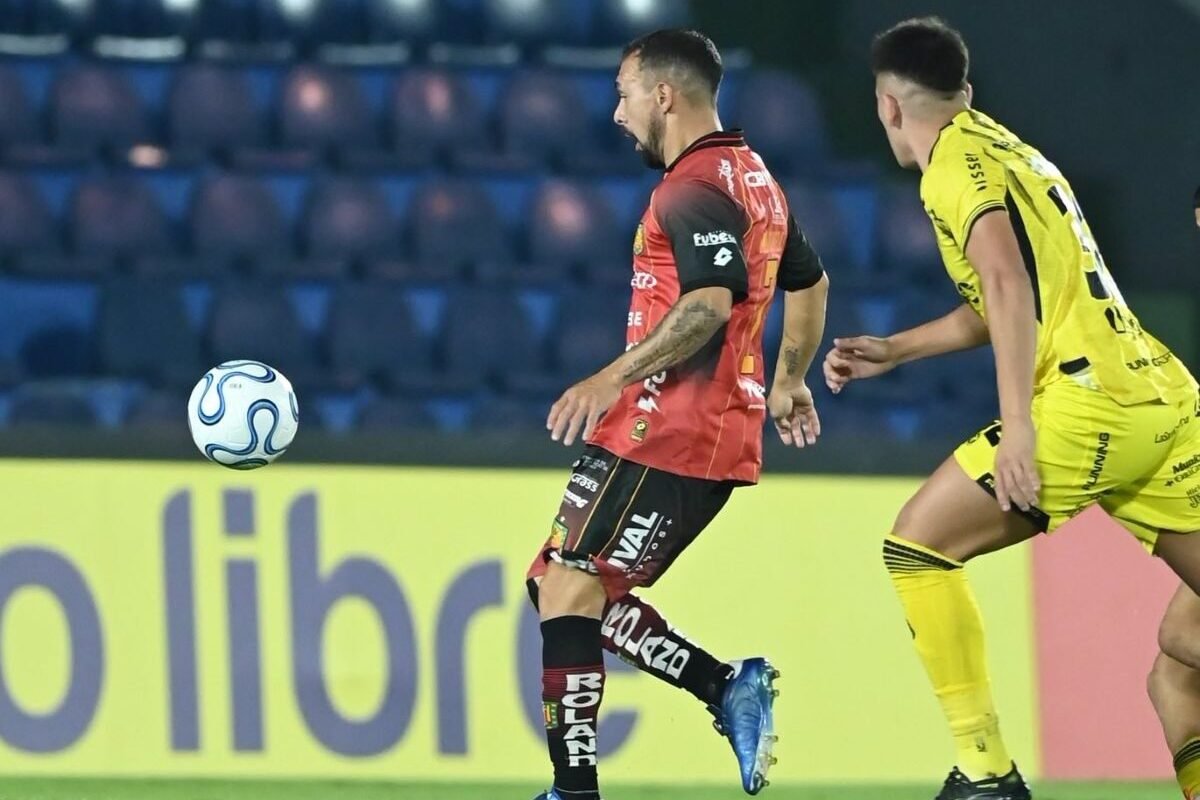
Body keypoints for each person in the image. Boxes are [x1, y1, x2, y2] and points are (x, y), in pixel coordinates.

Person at [824, 16, 1200, 800]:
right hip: (1161, 396)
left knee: (917, 548)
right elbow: (1004, 298)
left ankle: (987, 774)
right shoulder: (1010, 149)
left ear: (887, 105)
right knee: (1179, 665)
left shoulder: (949, 166)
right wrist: (896, 349)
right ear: (964, 90)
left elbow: (1006, 284)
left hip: (1090, 404)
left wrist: (1019, 427)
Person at [524, 28, 829, 800]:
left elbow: (707, 305)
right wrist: (789, 380)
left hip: (668, 428)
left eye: (624, 94)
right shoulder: (754, 177)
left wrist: (609, 377)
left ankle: (576, 790)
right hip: (694, 431)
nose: (617, 113)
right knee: (560, 586)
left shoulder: (688, 188)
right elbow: (810, 280)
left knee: (569, 587)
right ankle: (724, 686)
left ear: (663, 95)